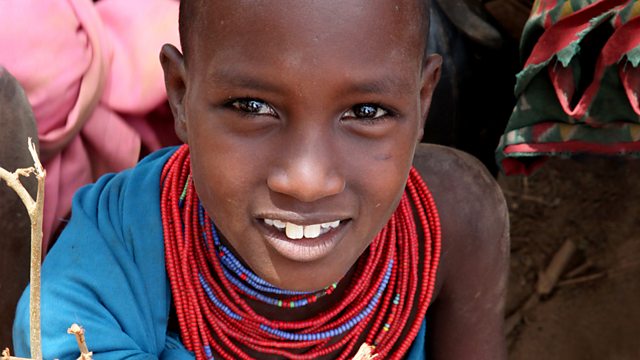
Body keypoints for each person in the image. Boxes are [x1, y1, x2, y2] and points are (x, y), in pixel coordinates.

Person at [12, 0, 509, 358]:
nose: (307, 180)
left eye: (366, 111)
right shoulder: (101, 269)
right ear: (181, 95)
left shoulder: (453, 222)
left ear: (423, 101)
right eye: (252, 107)